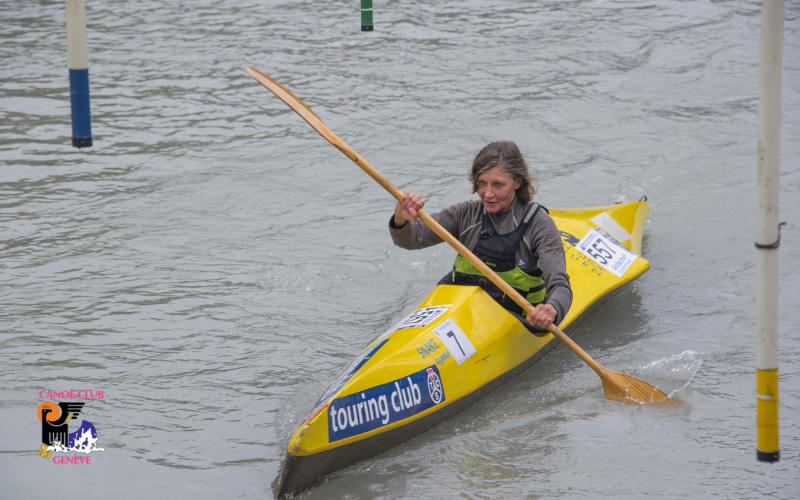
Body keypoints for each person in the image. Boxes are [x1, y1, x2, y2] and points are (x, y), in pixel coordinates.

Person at [389, 141, 572, 329]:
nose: (487, 193)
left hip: (516, 318)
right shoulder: (465, 214)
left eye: (498, 185)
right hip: (462, 314)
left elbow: (560, 285)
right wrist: (401, 219)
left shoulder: (539, 225)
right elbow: (413, 239)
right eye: (482, 183)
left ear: (518, 182)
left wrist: (551, 308)